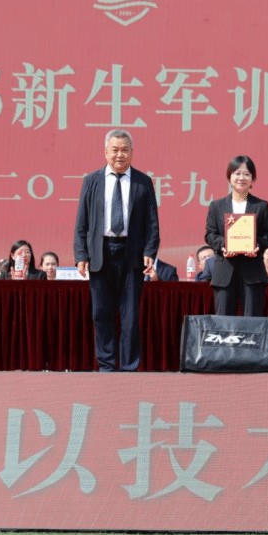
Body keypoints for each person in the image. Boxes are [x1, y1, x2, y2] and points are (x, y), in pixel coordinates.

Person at [74, 129, 160, 372]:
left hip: (132, 254)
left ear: (132, 152)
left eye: (124, 150)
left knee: (130, 315)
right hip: (100, 253)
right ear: (105, 152)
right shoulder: (92, 181)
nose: (119, 155)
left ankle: (129, 366)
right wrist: (81, 255)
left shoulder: (143, 182)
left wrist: (150, 251)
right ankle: (106, 365)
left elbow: (152, 222)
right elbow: (82, 222)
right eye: (115, 150)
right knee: (101, 313)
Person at [204, 155, 268, 316]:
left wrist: (256, 246)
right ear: (229, 177)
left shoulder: (261, 206)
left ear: (253, 179)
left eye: (246, 174)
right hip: (225, 271)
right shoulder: (217, 206)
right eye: (237, 173)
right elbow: (210, 234)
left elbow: (267, 235)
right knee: (223, 322)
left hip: (253, 272)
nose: (241, 178)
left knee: (252, 321)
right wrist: (224, 245)